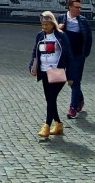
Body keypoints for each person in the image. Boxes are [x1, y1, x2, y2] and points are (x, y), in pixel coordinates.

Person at [28, 11, 72, 139]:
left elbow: (69, 55)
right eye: (43, 24)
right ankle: (58, 124)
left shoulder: (61, 36)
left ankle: (47, 125)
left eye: (47, 24)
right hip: (44, 72)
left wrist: (70, 76)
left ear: (53, 24)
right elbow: (35, 52)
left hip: (57, 71)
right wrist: (31, 66)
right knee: (50, 99)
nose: (44, 27)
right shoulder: (40, 35)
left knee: (51, 98)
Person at [59, 0, 92, 119]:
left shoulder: (83, 20)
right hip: (65, 54)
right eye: (76, 7)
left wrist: (85, 53)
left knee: (75, 80)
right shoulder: (61, 18)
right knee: (70, 81)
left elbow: (88, 37)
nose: (79, 9)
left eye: (80, 7)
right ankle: (80, 99)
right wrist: (58, 28)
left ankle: (72, 108)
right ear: (70, 7)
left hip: (78, 55)